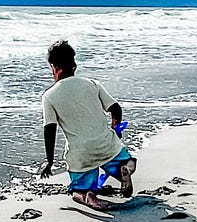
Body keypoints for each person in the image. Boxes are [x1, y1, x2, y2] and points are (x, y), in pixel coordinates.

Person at [37, 40, 137, 211]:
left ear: (55, 68)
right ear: (74, 66)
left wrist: (50, 161)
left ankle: (88, 195)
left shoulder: (49, 96)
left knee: (79, 189)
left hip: (81, 154)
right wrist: (115, 130)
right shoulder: (92, 84)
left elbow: (50, 130)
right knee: (128, 161)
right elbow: (115, 108)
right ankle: (124, 168)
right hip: (107, 145)